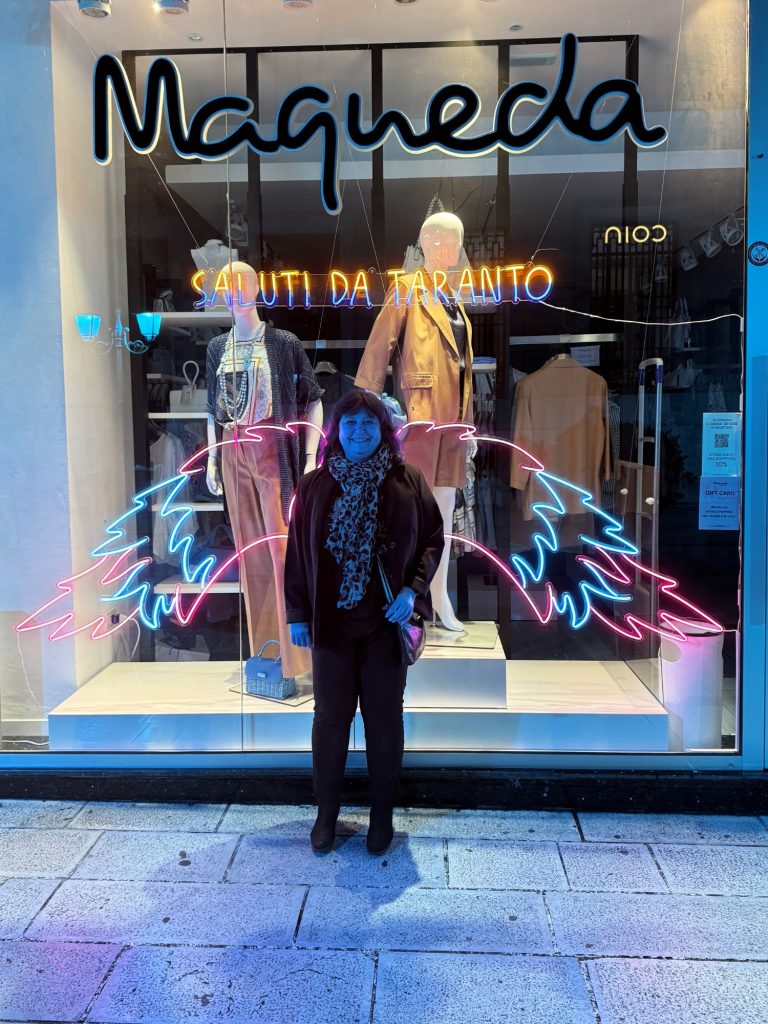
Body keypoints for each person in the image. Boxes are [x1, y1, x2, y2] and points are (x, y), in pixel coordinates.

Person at [284, 390, 445, 854]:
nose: (359, 431)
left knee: (384, 721)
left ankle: (381, 817)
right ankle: (326, 816)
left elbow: (433, 539)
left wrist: (412, 591)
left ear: (383, 430)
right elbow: (297, 553)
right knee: (329, 721)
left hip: (384, 627)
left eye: (368, 423)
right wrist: (297, 614)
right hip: (331, 626)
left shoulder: (407, 481)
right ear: (336, 431)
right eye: (350, 423)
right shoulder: (314, 485)